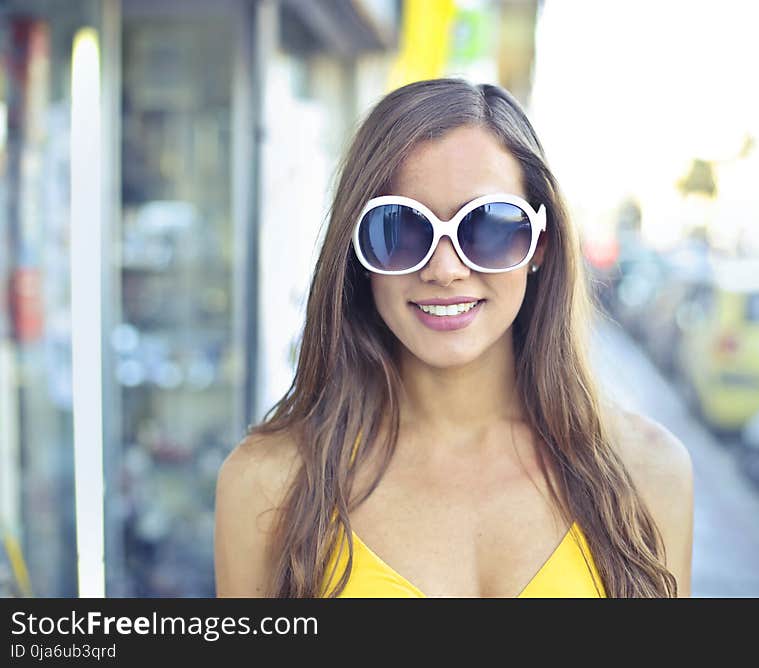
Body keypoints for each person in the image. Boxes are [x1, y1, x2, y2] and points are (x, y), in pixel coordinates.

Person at [214, 78, 694, 598]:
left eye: (488, 226)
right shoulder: (268, 485)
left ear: (540, 245)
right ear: (356, 253)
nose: (444, 269)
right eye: (400, 227)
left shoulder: (649, 474)